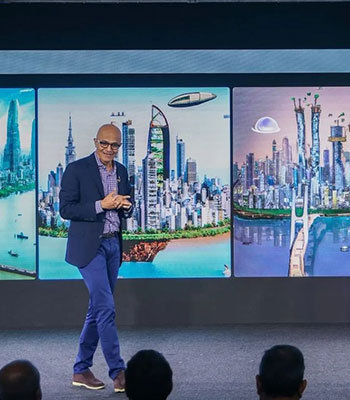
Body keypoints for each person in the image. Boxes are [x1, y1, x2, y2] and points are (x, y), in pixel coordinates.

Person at [59, 124, 133, 393]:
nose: (109, 150)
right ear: (95, 141)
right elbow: (65, 209)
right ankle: (118, 372)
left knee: (97, 309)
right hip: (89, 248)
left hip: (113, 245)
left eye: (115, 145)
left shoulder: (122, 171)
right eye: (104, 144)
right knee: (105, 308)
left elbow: (127, 204)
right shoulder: (76, 169)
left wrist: (126, 206)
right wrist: (101, 205)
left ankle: (81, 369)